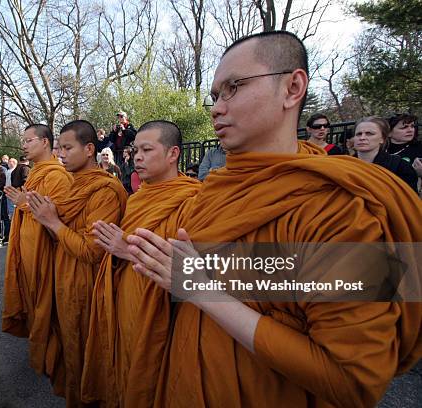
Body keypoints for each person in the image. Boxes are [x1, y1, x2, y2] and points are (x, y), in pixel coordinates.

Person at [124, 31, 421, 407]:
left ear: (292, 88)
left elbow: (352, 379)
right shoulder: (215, 190)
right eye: (215, 96)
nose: (217, 107)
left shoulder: (337, 208)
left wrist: (202, 290)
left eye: (234, 87)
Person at [81, 120, 202, 407]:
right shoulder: (138, 199)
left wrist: (127, 250)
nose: (137, 157)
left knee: (152, 383)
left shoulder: (193, 199)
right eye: (136, 150)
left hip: (162, 314)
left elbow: (192, 274)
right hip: (127, 301)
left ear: (173, 154)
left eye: (147, 150)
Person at [26, 120, 128, 406]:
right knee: (72, 351)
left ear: (90, 149)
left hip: (89, 288)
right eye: (59, 148)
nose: (61, 154)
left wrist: (52, 222)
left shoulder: (104, 190)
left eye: (68, 148)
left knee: (90, 355)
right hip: (65, 279)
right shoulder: (72, 185)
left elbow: (91, 251)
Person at [2, 124, 74, 391]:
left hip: (47, 257)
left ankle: (57, 363)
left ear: (45, 142)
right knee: (36, 307)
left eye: (28, 140)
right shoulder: (35, 174)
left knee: (50, 311)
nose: (23, 145)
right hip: (30, 256)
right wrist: (24, 202)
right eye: (23, 140)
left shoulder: (58, 176)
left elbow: (59, 218)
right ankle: (44, 356)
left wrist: (24, 203)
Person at [353, 116, 418, 192]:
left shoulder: (400, 167)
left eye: (369, 133)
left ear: (382, 138)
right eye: (358, 134)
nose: (362, 137)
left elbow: (408, 198)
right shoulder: (345, 163)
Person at [387, 113, 422, 189]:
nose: (410, 130)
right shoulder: (379, 148)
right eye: (404, 127)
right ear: (389, 132)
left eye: (412, 126)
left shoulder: (419, 148)